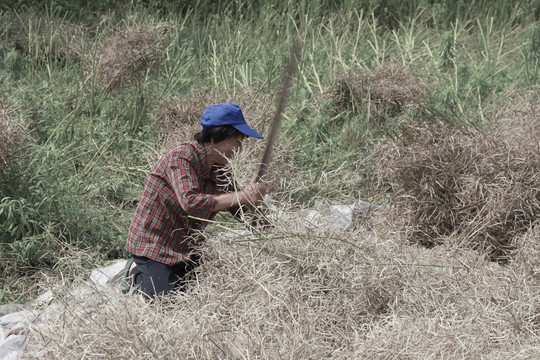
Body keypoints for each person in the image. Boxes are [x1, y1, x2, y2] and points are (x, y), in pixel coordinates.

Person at [124, 103, 267, 300]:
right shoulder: (181, 157)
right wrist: (244, 195)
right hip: (154, 247)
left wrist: (266, 227)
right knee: (166, 304)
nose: (239, 148)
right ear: (213, 138)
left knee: (213, 291)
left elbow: (238, 207)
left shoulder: (221, 168)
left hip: (186, 248)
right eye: (236, 141)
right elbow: (191, 202)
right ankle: (136, 271)